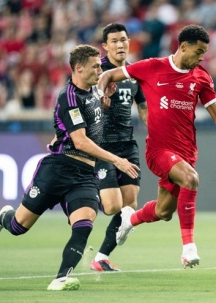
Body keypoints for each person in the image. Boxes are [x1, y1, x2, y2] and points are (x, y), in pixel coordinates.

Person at [97, 24, 216, 269]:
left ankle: (129, 220)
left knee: (164, 211)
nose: (201, 58)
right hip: (158, 151)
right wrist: (102, 93)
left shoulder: (201, 77)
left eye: (204, 53)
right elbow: (108, 75)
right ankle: (188, 248)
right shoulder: (152, 67)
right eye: (198, 52)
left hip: (186, 152)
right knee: (191, 179)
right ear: (184, 46)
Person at [0, 44, 139, 290]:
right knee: (18, 227)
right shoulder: (68, 97)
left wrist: (106, 102)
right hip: (57, 169)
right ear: (79, 68)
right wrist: (116, 159)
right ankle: (5, 216)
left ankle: (61, 278)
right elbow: (80, 141)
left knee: (85, 222)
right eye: (96, 66)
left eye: (100, 66)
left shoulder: (93, 92)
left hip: (85, 174)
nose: (101, 69)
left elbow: (93, 117)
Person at [90, 23, 148, 272]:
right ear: (105, 46)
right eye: (114, 41)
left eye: (123, 40)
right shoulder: (96, 71)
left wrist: (155, 129)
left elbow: (143, 106)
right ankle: (90, 189)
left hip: (127, 144)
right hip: (102, 146)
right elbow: (83, 106)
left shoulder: (136, 71)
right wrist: (99, 104)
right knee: (113, 206)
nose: (120, 44)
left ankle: (101, 257)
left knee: (129, 204)